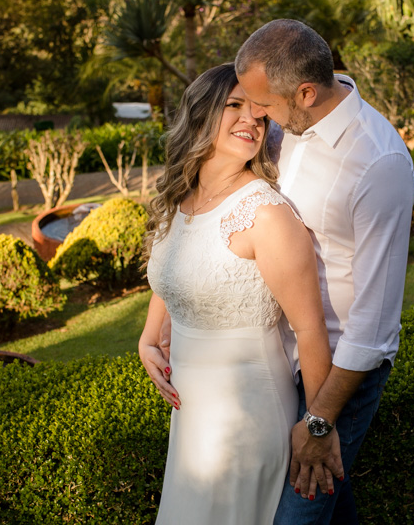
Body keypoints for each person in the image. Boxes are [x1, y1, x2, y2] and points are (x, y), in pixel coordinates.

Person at [234, 19, 414, 524]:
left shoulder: (378, 163)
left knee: (297, 515)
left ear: (306, 92)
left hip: (340, 372)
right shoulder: (292, 126)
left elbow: (375, 326)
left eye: (265, 104)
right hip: (285, 358)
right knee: (330, 510)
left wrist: (319, 421)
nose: (257, 115)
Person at [139, 63, 333, 525]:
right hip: (191, 422)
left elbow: (310, 329)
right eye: (234, 106)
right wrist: (149, 337)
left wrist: (319, 429)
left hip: (247, 421)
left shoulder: (265, 214)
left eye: (260, 114)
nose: (252, 120)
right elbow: (176, 272)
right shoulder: (179, 200)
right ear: (202, 113)